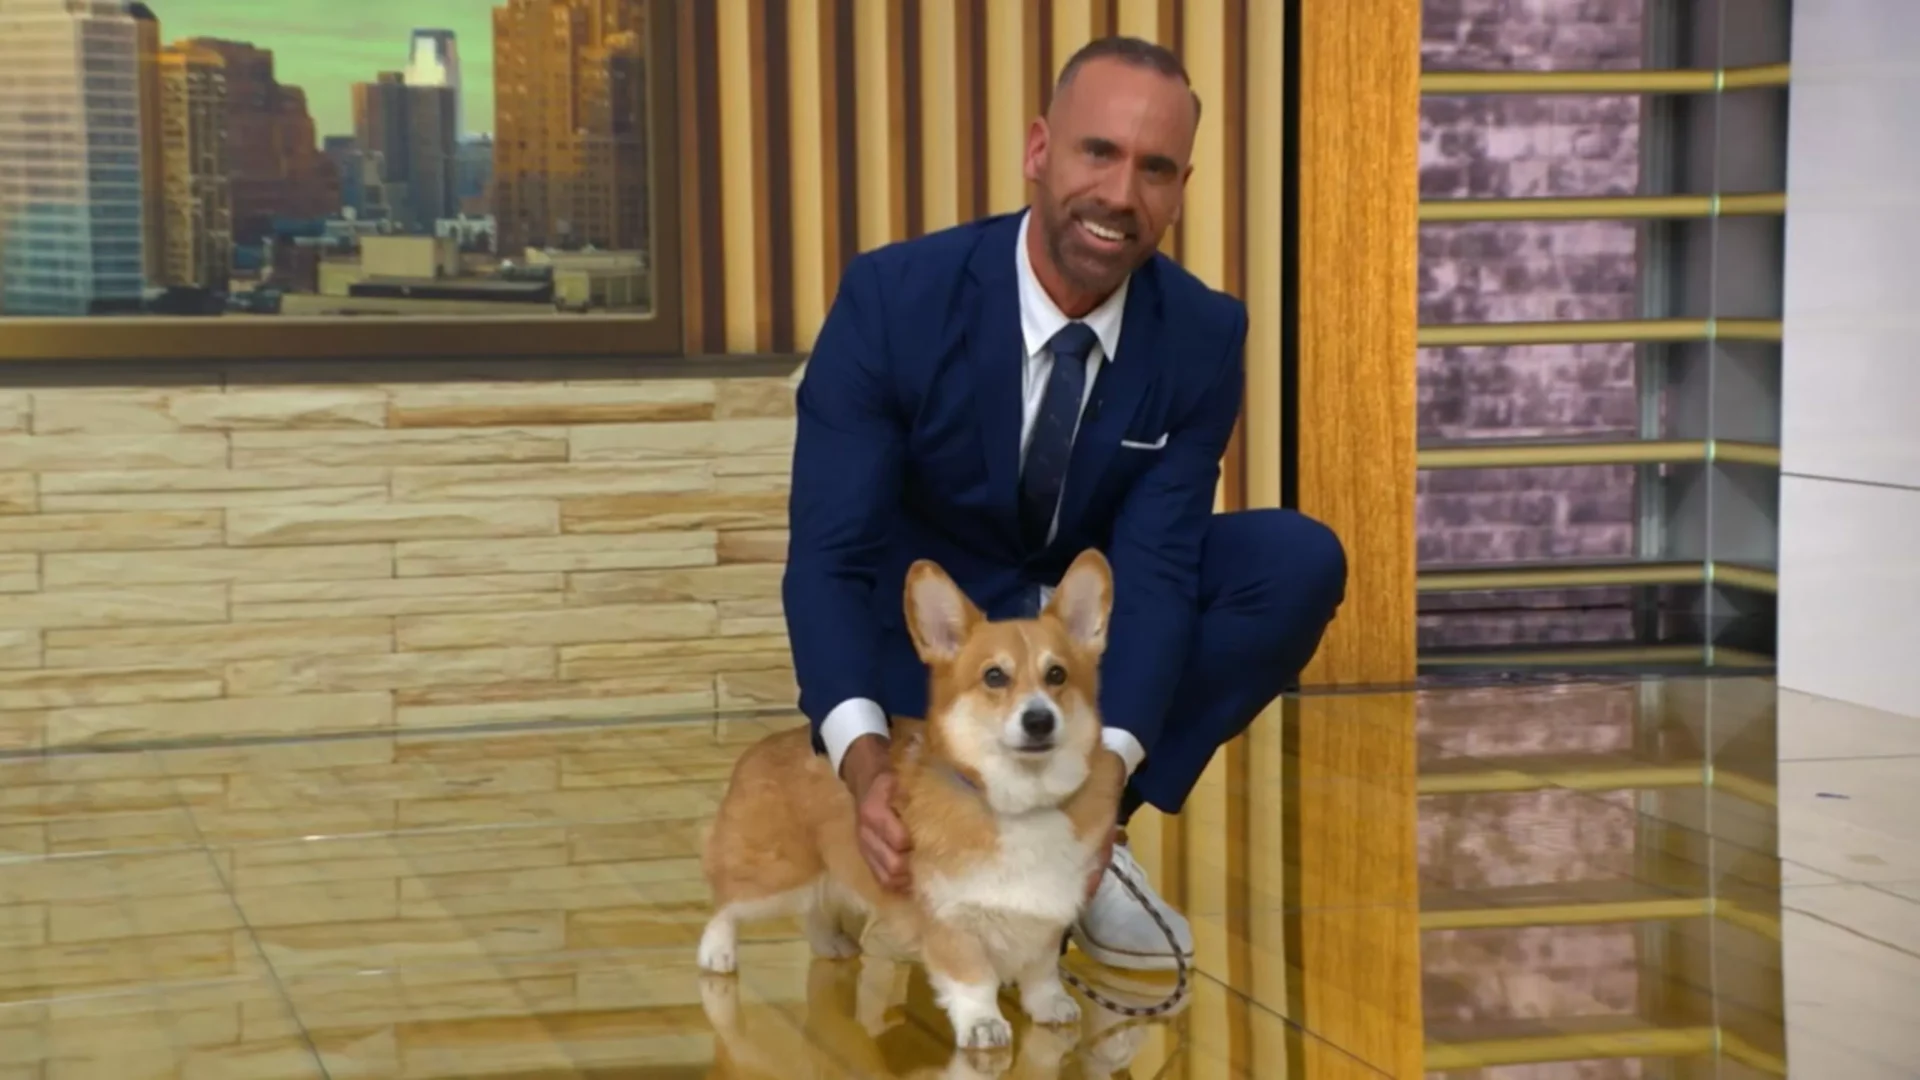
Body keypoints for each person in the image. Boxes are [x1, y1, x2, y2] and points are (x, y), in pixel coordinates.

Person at [781, 35, 1348, 972]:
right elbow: (830, 557)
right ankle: (890, 821)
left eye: (1155, 169)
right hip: (933, 643)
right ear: (1040, 150)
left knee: (1294, 562)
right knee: (878, 657)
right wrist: (865, 766)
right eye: (1099, 152)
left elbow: (1157, 571)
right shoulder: (894, 299)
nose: (1122, 194)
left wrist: (1105, 783)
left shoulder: (1203, 334)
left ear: (1181, 188)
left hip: (1073, 637)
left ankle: (1088, 842)